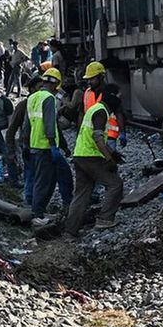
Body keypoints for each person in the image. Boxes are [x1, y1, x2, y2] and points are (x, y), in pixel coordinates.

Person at [66, 84, 127, 233]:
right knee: (115, 184)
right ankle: (105, 219)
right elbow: (97, 137)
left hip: (80, 155)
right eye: (119, 97)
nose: (121, 101)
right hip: (91, 157)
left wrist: (112, 152)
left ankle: (71, 230)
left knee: (81, 194)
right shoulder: (101, 112)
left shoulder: (94, 108)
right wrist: (109, 159)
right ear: (112, 98)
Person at [27, 69, 74, 221]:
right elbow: (49, 125)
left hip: (36, 145)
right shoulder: (49, 99)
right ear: (55, 85)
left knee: (55, 177)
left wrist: (64, 146)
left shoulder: (32, 98)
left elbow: (27, 124)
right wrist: (54, 147)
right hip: (46, 147)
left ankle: (65, 206)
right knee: (45, 181)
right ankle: (38, 213)